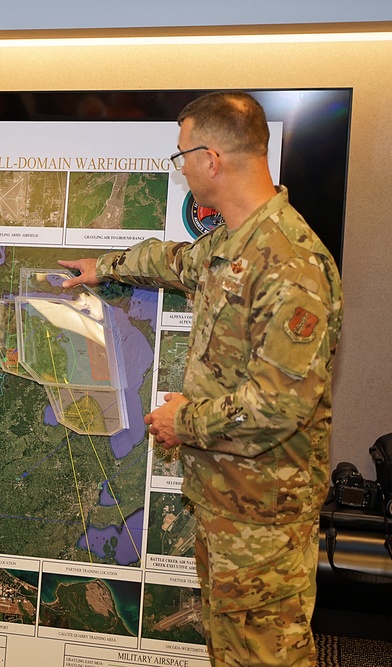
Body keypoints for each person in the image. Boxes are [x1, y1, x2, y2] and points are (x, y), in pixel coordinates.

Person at [60, 91, 342, 667]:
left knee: (269, 656)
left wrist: (181, 421)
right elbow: (174, 262)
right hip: (225, 502)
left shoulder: (292, 265)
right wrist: (103, 268)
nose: (180, 166)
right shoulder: (232, 246)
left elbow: (280, 406)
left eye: (182, 154)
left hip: (264, 516)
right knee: (229, 649)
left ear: (211, 158)